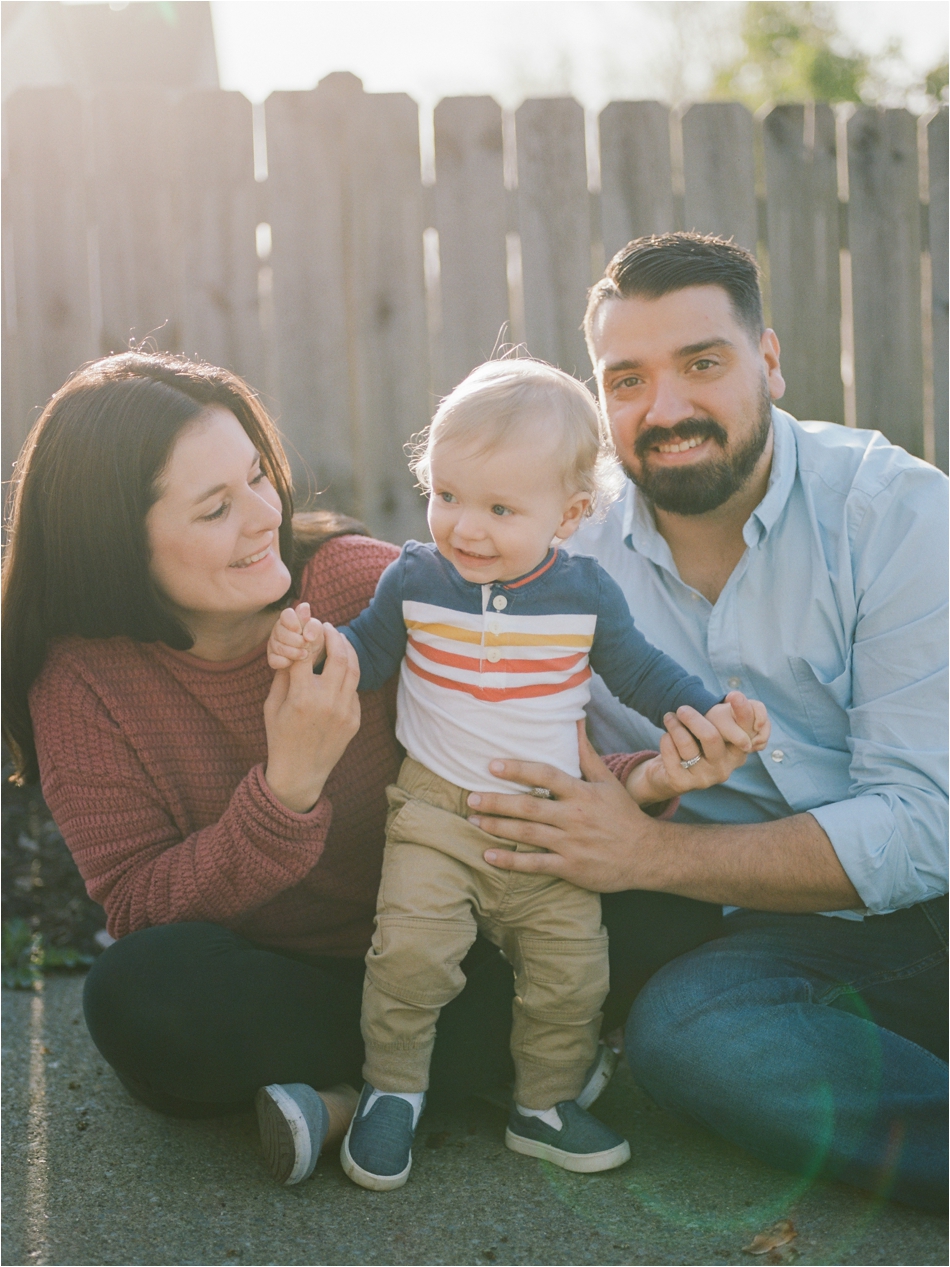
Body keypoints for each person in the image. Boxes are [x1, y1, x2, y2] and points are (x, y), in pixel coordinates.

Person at [462, 234, 949, 1213]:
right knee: (685, 1030)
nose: (666, 408)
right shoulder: (568, 565)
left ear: (766, 360)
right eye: (627, 379)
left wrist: (639, 853)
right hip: (795, 940)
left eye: (701, 364)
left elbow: (923, 826)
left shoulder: (893, 514)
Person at [0, 351, 524, 1187]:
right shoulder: (80, 683)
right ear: (115, 545)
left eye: (256, 476)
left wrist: (635, 782)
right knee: (137, 998)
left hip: (450, 944)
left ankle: (354, 1102)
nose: (262, 515)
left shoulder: (361, 586)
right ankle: (464, 1069)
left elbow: (531, 702)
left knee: (641, 919)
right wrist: (287, 791)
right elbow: (139, 907)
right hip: (276, 982)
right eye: (215, 508)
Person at [268, 358, 770, 1190]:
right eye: (450, 494)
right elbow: (365, 655)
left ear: (569, 514)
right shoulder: (416, 577)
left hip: (548, 824)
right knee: (409, 957)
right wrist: (315, 647)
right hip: (434, 813)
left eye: (500, 508)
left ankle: (544, 1105)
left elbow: (643, 674)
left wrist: (713, 711)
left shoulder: (585, 595)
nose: (466, 525)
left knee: (572, 976)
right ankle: (393, 1089)